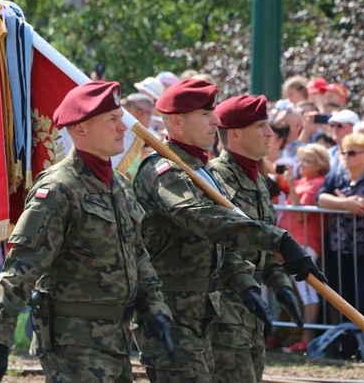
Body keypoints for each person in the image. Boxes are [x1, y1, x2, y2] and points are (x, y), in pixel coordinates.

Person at [0, 81, 176, 382]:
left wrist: (155, 309)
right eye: (112, 120)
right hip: (73, 342)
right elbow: (20, 269)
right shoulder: (59, 189)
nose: (123, 128)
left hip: (116, 340)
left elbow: (138, 256)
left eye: (120, 118)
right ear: (80, 130)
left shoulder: (118, 186)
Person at [132, 80, 323, 382]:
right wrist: (279, 239)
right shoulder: (165, 171)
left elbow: (222, 249)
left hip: (207, 313)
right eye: (205, 114)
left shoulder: (202, 172)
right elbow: (201, 219)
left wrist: (263, 282)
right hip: (172, 311)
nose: (216, 121)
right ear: (177, 122)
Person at [208, 94, 308, 383]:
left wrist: (281, 285)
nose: (269, 133)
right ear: (235, 134)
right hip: (224, 309)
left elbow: (264, 248)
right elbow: (223, 246)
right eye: (261, 126)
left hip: (251, 313)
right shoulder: (214, 179)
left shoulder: (257, 180)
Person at [317, 133, 364, 322]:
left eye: (352, 153)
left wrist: (354, 201)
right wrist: (346, 203)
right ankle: (348, 344)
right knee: (344, 297)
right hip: (340, 246)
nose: (346, 156)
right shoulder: (337, 174)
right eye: (344, 153)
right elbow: (321, 198)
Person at [279, 143, 331, 352]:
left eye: (307, 161)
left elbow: (299, 213)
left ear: (319, 165)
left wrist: (291, 185)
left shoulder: (317, 182)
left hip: (305, 244)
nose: (301, 164)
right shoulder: (304, 181)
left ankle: (308, 338)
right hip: (293, 243)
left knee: (308, 291)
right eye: (300, 160)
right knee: (302, 291)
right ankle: (299, 337)